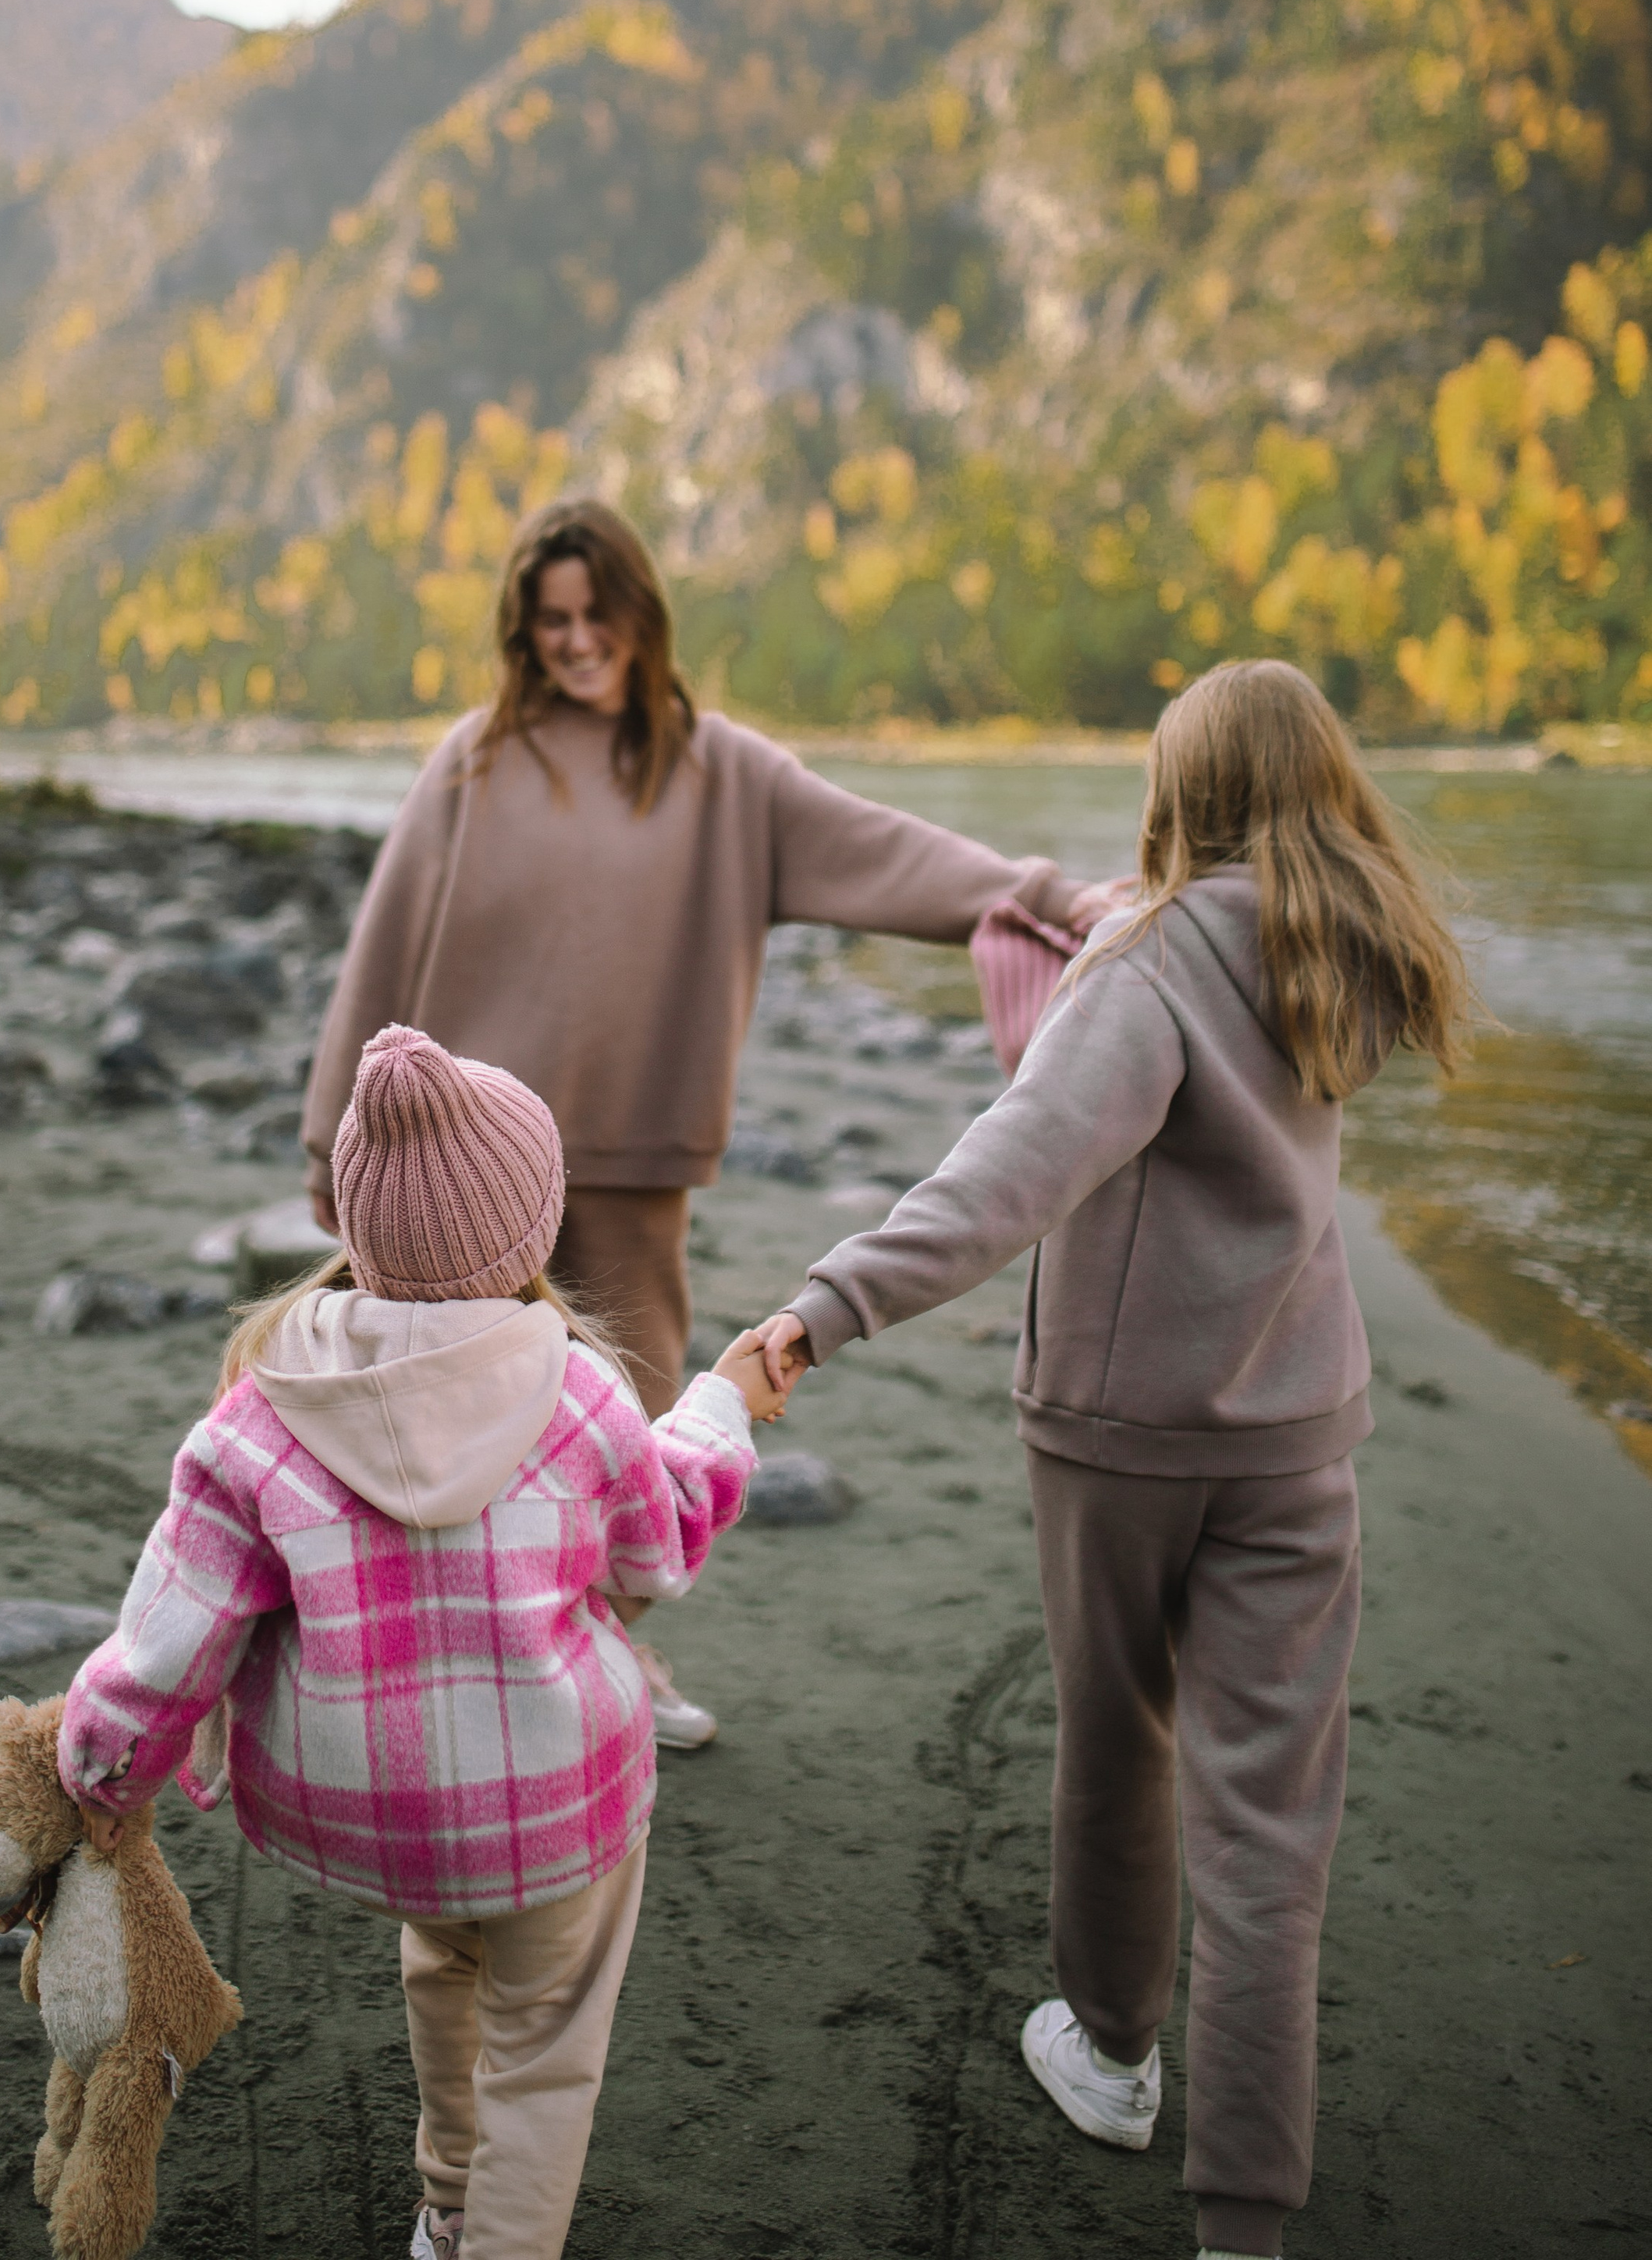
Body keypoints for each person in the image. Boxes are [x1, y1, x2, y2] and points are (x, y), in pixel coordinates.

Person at [755, 660, 1469, 2260]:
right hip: (1297, 1432)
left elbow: (1009, 1173)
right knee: (1269, 1838)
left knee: (1116, 1743)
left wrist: (817, 1312)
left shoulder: (1142, 968)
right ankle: (1241, 2226)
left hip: (1119, 1438)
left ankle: (1114, 2053)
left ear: (1178, 795)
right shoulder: (1339, 949)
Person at [300, 495, 1117, 1745]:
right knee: (440, 1409)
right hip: (451, 1177)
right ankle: (429, 1671)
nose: (577, 643)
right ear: (525, 632)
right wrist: (329, 1142)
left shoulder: (720, 771)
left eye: (598, 616)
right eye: (551, 622)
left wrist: (1054, 900)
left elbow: (891, 852)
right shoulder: (470, 763)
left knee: (621, 1425)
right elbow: (380, 953)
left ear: (643, 617)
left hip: (631, 1157)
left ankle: (611, 1650)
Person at [60, 1023, 781, 2260]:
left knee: (444, 1962)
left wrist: (100, 1776)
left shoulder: (260, 1410)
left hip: (374, 1813)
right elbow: (656, 1554)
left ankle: (447, 2207)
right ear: (532, 1229)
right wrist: (718, 1406)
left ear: (358, 1225)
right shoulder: (583, 1393)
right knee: (544, 2060)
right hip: (557, 1803)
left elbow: (169, 1636)